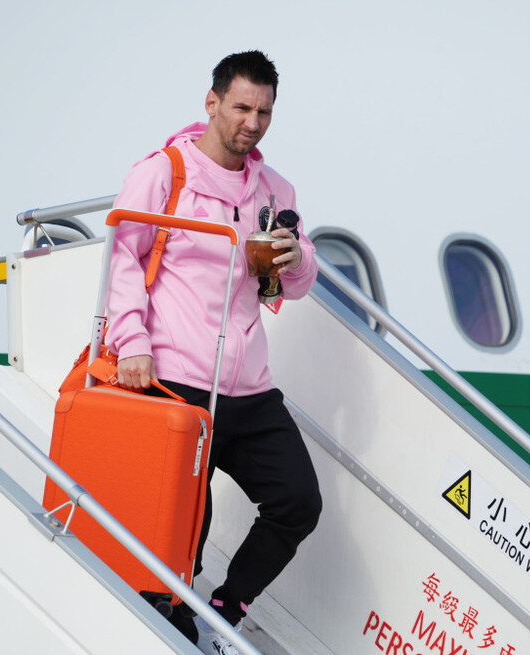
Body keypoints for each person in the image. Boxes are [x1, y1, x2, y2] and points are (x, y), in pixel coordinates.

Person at [105, 50, 322, 655]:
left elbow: (298, 284)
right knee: (185, 531)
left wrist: (296, 258)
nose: (252, 123)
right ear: (212, 102)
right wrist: (133, 342)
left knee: (297, 501)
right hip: (175, 378)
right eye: (242, 107)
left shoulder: (275, 190)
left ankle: (226, 611)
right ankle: (170, 622)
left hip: (249, 385)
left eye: (264, 112)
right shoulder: (164, 173)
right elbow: (121, 259)